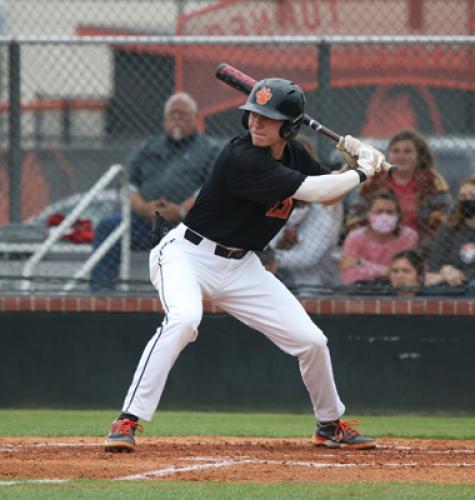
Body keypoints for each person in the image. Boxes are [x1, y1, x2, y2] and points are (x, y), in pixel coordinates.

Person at [103, 77, 387, 453]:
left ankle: (329, 424)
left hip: (242, 266)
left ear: (289, 126)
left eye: (267, 118)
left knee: (312, 341)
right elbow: (317, 191)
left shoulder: (294, 155)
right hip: (187, 255)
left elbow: (328, 195)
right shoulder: (242, 157)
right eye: (253, 115)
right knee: (184, 320)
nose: (255, 123)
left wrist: (350, 167)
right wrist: (363, 171)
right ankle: (128, 419)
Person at [89, 92, 221, 291]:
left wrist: (182, 210)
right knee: (108, 226)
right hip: (146, 222)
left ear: (195, 118)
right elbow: (127, 183)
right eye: (172, 114)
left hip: (189, 225)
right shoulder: (148, 147)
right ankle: (100, 293)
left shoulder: (210, 149)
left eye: (183, 114)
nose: (177, 119)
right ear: (164, 119)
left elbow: (213, 186)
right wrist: (142, 207)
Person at [346, 129, 451, 252]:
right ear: (389, 155)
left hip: (419, 250)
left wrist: (420, 250)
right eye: (396, 151)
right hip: (375, 249)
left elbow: (441, 222)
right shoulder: (373, 182)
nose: (401, 156)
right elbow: (355, 217)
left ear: (419, 156)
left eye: (407, 151)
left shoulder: (433, 183)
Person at [269, 135, 343, 290]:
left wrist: (271, 258)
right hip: (269, 282)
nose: (294, 166)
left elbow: (307, 258)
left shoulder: (322, 208)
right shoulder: (267, 201)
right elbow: (262, 244)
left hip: (312, 287)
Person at [427, 176, 475, 294]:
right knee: (430, 284)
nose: (467, 200)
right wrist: (445, 271)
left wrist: (461, 275)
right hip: (449, 280)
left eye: (473, 197)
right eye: (463, 196)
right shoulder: (449, 228)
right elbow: (435, 261)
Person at [340, 191, 418, 285]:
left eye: (390, 212)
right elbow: (349, 276)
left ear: (398, 215)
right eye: (379, 211)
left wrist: (361, 263)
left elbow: (406, 275)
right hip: (360, 289)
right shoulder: (355, 238)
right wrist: (386, 271)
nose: (384, 217)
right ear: (368, 215)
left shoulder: (408, 237)